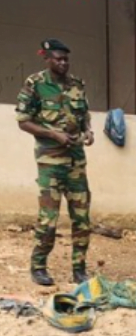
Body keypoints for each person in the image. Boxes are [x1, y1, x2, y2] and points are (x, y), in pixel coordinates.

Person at [15, 39, 94, 286]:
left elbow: (85, 116)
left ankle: (79, 269)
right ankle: (38, 267)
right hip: (50, 162)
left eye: (66, 59)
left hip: (76, 162)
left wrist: (88, 131)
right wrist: (53, 134)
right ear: (47, 59)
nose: (63, 63)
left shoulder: (77, 84)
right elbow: (23, 120)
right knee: (48, 218)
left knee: (82, 217)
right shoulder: (35, 84)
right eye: (58, 59)